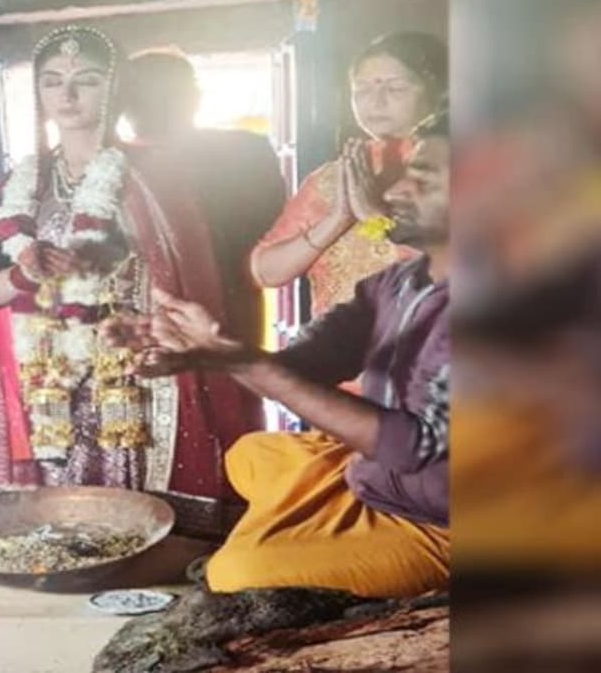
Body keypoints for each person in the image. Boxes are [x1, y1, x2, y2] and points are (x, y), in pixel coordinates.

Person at [105, 112, 452, 597]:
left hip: (440, 519)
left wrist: (238, 361)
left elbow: (412, 447)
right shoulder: (400, 281)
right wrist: (203, 353)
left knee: (237, 574)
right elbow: (305, 364)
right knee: (251, 456)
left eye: (423, 180)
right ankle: (296, 536)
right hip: (380, 479)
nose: (393, 193)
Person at [0, 26, 255, 537]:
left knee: (137, 529)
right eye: (52, 81)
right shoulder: (14, 188)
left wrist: (119, 281)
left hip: (129, 375)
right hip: (42, 377)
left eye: (87, 81)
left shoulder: (157, 179)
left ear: (114, 88)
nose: (67, 95)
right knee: (48, 534)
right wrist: (26, 273)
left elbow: (186, 283)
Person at [251, 31, 447, 319]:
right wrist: (337, 220)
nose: (375, 102)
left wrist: (378, 221)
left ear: (437, 90)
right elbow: (266, 272)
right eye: (362, 90)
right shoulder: (333, 177)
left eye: (395, 88)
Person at [121, 47, 287, 350]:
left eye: (165, 92)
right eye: (137, 95)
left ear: (194, 98)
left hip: (226, 307)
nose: (150, 104)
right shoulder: (111, 163)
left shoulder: (244, 151)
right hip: (139, 319)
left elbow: (272, 232)